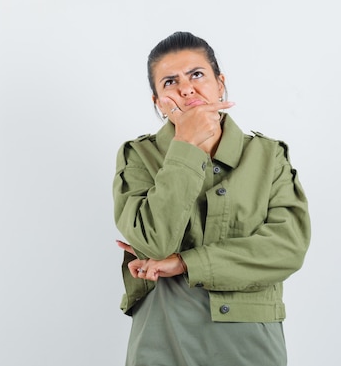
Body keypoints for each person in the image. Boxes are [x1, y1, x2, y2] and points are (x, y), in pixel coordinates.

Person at [113, 31, 310, 366]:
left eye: (197, 75)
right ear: (158, 102)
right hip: (163, 338)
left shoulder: (268, 156)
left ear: (220, 83)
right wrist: (186, 146)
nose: (186, 88)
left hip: (250, 342)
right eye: (170, 81)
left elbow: (285, 249)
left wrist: (186, 262)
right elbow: (156, 242)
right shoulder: (138, 156)